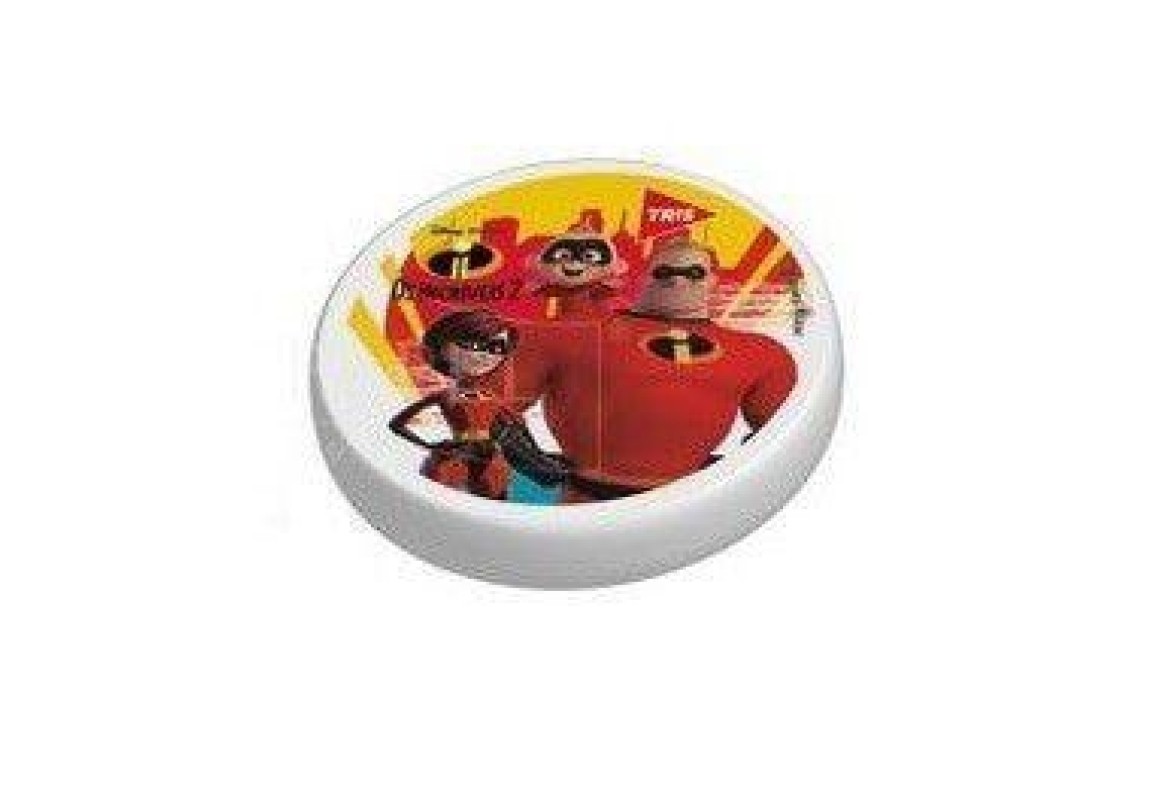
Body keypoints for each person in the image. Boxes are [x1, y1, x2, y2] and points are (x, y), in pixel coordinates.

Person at [487, 236, 798, 502]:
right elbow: (488, 405)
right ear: (642, 277)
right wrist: (530, 463)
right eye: (664, 272)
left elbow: (783, 437)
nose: (678, 280)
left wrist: (739, 478)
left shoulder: (759, 352)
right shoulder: (571, 333)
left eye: (694, 273)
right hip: (585, 501)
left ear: (714, 280)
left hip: (691, 503)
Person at [390, 309, 569, 499]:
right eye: (473, 344)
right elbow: (397, 424)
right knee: (443, 500)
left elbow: (518, 427)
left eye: (497, 348)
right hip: (456, 458)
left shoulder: (490, 397)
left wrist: (539, 456)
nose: (484, 355)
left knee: (496, 501)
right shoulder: (444, 396)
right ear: (442, 348)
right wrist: (429, 445)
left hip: (492, 459)